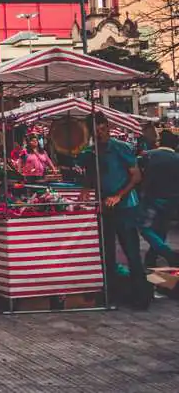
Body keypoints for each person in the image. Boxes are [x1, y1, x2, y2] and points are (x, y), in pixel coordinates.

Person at [80, 112, 151, 309]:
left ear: (108, 127)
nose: (100, 132)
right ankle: (111, 294)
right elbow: (91, 176)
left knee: (131, 252)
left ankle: (141, 296)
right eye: (96, 130)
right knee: (106, 252)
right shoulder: (90, 153)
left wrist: (119, 195)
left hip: (126, 207)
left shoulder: (122, 148)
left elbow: (136, 177)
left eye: (103, 128)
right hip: (104, 208)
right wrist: (85, 190)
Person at [138, 129, 179, 268]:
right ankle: (151, 259)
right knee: (161, 230)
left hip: (152, 198)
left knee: (145, 228)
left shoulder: (148, 155)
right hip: (172, 201)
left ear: (160, 142)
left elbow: (135, 169)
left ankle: (168, 253)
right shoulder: (177, 159)